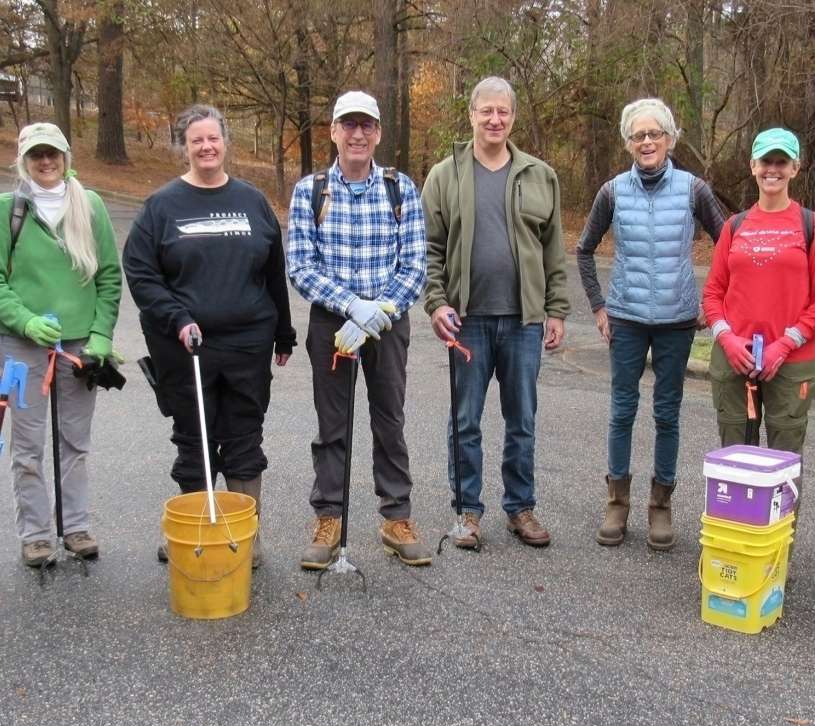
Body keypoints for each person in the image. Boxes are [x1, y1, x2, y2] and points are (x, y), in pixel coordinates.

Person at [123, 105, 295, 568]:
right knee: (195, 437)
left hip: (248, 345)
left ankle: (244, 536)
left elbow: (273, 272)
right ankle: (196, 532)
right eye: (196, 140)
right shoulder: (162, 207)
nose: (206, 147)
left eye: (213, 139)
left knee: (244, 437)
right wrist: (176, 317)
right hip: (186, 348)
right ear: (184, 147)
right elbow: (140, 273)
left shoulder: (252, 201)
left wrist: (283, 332)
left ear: (225, 143)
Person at [421, 76, 568, 549]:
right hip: (468, 321)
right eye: (486, 111)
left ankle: (520, 508)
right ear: (471, 115)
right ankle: (467, 513)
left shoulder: (539, 175)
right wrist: (437, 301)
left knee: (521, 418)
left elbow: (554, 251)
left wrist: (557, 310)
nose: (494, 119)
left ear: (513, 117)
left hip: (524, 321)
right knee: (465, 420)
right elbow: (429, 249)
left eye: (502, 111)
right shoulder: (444, 175)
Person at [576, 98, 728, 550]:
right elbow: (584, 250)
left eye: (655, 134)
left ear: (670, 139)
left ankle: (660, 506)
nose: (647, 142)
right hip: (625, 319)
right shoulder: (612, 191)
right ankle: (617, 502)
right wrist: (599, 308)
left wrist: (713, 304)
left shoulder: (693, 189)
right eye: (638, 135)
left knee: (667, 414)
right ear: (628, 143)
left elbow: (730, 244)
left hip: (678, 321)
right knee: (622, 411)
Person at [285, 90, 428, 568]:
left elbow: (414, 264)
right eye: (349, 124)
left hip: (387, 322)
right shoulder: (311, 190)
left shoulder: (400, 188)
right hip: (333, 324)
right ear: (333, 131)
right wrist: (351, 307)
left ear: (379, 133)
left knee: (389, 419)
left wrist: (380, 309)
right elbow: (302, 266)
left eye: (367, 125)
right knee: (333, 425)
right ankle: (329, 517)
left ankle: (396, 517)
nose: (358, 134)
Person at [0, 122, 122, 567]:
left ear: (65, 157)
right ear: (23, 159)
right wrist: (25, 320)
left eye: (53, 154)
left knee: (75, 441)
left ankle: (75, 526)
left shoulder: (90, 205)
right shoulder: (7, 209)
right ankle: (36, 534)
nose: (45, 162)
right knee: (27, 445)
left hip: (80, 346)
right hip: (22, 345)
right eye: (36, 155)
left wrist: (100, 336)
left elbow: (109, 278)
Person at [702, 127, 815, 456]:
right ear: (753, 166)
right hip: (735, 361)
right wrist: (728, 340)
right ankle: (735, 513)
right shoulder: (735, 225)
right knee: (735, 462)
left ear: (795, 168)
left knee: (783, 464)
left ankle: (782, 512)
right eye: (765, 161)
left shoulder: (813, 226)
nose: (772, 169)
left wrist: (784, 345)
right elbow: (712, 294)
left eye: (781, 161)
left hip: (791, 362)